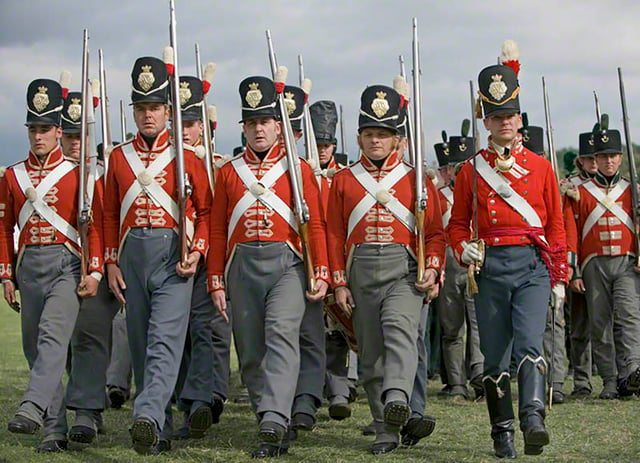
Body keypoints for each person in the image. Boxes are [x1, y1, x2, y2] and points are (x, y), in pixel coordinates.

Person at [447, 41, 567, 458]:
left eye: (510, 116)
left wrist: (559, 275)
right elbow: (456, 224)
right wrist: (463, 249)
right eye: (496, 116)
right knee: (494, 356)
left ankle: (533, 417)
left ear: (519, 119)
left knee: (530, 345)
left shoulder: (541, 167)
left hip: (532, 265)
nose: (504, 123)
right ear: (487, 121)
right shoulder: (470, 170)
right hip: (491, 268)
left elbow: (555, 224)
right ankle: (502, 432)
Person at [207, 75, 329, 458]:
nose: (258, 129)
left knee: (280, 334)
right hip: (241, 263)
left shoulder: (300, 169)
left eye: (265, 122)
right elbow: (216, 227)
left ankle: (275, 419)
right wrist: (215, 279)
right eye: (251, 123)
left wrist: (321, 270)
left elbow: (317, 224)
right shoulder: (228, 173)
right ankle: (267, 412)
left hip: (287, 263)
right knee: (251, 348)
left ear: (279, 126)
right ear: (243, 127)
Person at [326, 84, 445, 455]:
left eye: (383, 134)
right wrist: (338, 282)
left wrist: (435, 267)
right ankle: (385, 429)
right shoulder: (344, 180)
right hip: (360, 269)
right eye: (369, 134)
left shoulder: (416, 180)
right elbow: (333, 232)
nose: (375, 141)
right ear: (359, 138)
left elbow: (436, 232)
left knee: (400, 331)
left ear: (397, 140)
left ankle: (397, 397)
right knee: (372, 353)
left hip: (403, 269)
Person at [103, 56, 211, 454]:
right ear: (133, 111)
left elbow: (207, 212)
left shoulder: (189, 157)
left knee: (164, 340)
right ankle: (159, 426)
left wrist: (197, 251)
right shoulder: (118, 158)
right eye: (141, 108)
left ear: (168, 111)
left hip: (173, 254)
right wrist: (111, 261)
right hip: (132, 254)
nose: (148, 116)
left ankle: (146, 413)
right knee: (140, 338)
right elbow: (108, 214)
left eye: (155, 108)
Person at [1, 78, 103, 452]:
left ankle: (31, 406)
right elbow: (4, 226)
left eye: (45, 129)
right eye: (33, 129)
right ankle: (54, 428)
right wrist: (5, 273)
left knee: (52, 338)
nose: (38, 137)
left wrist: (93, 270)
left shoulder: (79, 173)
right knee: (34, 348)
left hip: (65, 263)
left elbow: (94, 226)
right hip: (29, 264)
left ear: (59, 131)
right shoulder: (13, 176)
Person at [39, 87, 120, 451]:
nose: (75, 145)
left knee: (90, 339)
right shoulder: (46, 177)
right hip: (59, 267)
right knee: (60, 346)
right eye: (69, 137)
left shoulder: (101, 175)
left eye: (80, 137)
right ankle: (54, 416)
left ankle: (87, 412)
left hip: (96, 268)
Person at [172, 74, 231, 440]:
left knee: (207, 331)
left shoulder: (219, 166)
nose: (186, 131)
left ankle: (205, 400)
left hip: (210, 260)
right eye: (180, 123)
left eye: (191, 123)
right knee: (178, 335)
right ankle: (189, 400)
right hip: (172, 259)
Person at [563, 119, 640, 398]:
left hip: (627, 261)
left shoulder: (633, 190)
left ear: (620, 157)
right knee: (600, 323)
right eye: (603, 156)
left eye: (613, 155)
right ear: (594, 159)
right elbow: (571, 233)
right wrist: (575, 271)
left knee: (629, 318)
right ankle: (609, 379)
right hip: (593, 263)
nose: (608, 161)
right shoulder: (579, 193)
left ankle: (631, 372)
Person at [520, 115, 569, 404]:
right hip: (522, 260)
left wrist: (560, 272)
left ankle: (557, 381)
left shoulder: (545, 175)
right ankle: (533, 381)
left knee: (555, 323)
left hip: (546, 259)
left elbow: (558, 226)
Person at [309, 99, 353, 421]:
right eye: (318, 143)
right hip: (307, 260)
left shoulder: (346, 177)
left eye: (327, 145)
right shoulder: (301, 175)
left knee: (338, 330)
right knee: (308, 333)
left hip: (337, 258)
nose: (323, 150)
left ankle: (339, 391)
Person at [434, 125, 484, 401]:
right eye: (456, 166)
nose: (461, 170)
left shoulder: (482, 195)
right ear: (449, 169)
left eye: (467, 165)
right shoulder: (439, 197)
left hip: (478, 266)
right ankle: (456, 383)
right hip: (449, 268)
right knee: (451, 328)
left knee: (479, 325)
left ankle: (478, 373)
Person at [561, 132, 600, 398]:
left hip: (605, 261)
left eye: (598, 157)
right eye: (589, 158)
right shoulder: (569, 187)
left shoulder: (618, 187)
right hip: (579, 263)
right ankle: (582, 381)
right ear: (581, 161)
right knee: (580, 326)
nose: (594, 163)